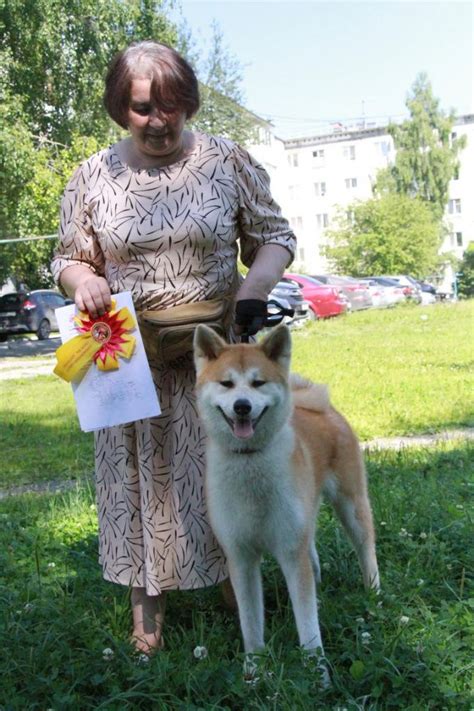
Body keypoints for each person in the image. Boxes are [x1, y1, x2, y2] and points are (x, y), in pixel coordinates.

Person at [52, 40, 296, 655]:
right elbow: (69, 260)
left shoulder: (226, 160)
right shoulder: (92, 176)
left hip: (216, 358)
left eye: (170, 107)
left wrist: (255, 288)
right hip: (126, 360)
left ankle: (233, 586)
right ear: (120, 109)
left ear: (187, 102)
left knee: (226, 476)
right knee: (137, 481)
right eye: (141, 109)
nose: (157, 121)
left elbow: (274, 236)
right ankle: (146, 612)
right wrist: (85, 283)